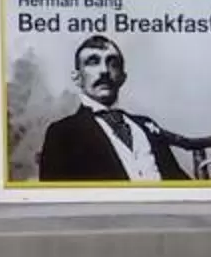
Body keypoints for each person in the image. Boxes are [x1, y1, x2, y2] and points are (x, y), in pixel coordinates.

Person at [36, 33, 189, 183]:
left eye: (112, 63)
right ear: (77, 77)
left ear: (122, 77)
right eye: (93, 61)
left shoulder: (146, 125)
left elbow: (179, 182)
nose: (104, 70)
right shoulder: (63, 132)